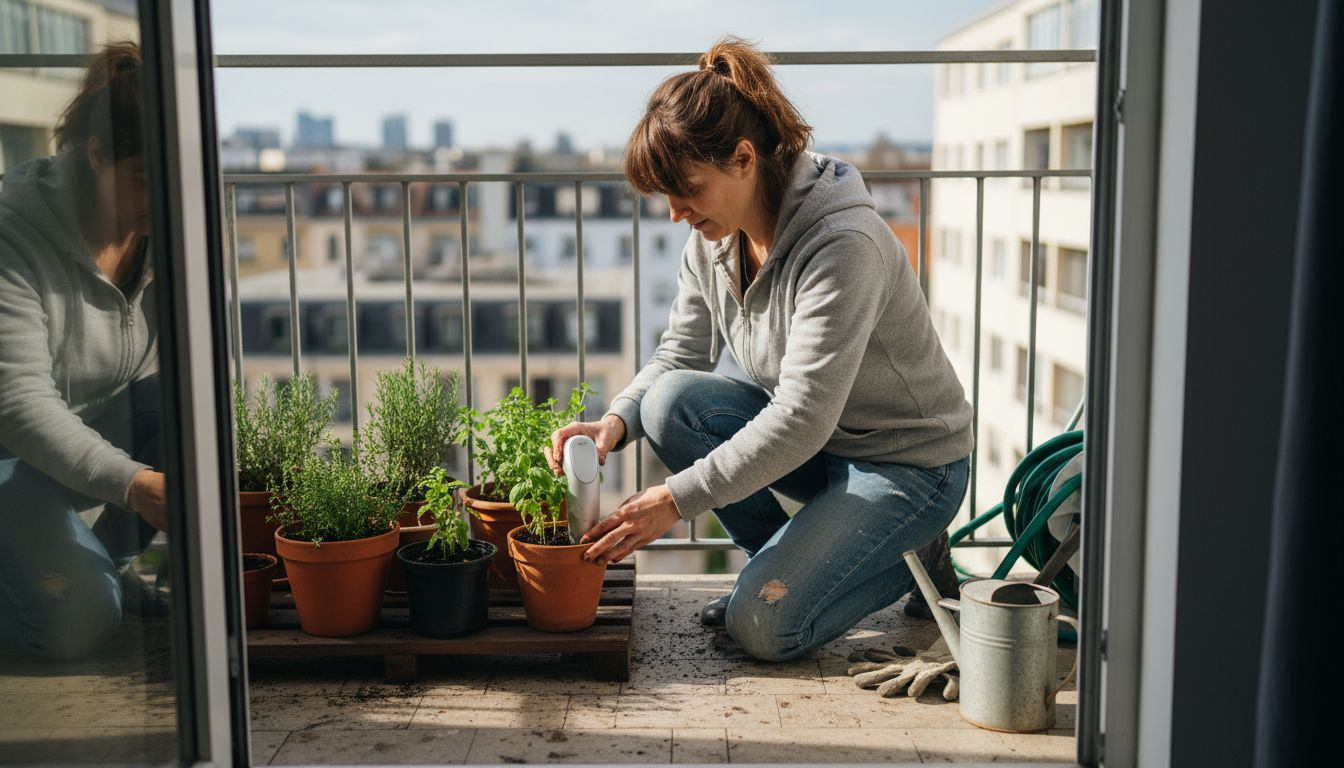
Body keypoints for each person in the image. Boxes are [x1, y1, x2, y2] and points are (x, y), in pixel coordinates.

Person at [546, 37, 972, 662]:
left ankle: (907, 562)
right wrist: (616, 422)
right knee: (668, 405)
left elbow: (800, 415)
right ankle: (780, 574)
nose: (675, 214)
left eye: (686, 190)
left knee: (762, 629)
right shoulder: (714, 239)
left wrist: (674, 500)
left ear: (744, 159)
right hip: (826, 450)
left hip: (909, 466)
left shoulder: (842, 244)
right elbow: (679, 355)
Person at [0, 41, 169, 661]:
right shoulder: (12, 230)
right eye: (146, 178)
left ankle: (107, 563)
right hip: (6, 455)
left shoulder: (166, 227)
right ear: (96, 152)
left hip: (76, 438)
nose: (163, 198)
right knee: (80, 621)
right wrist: (135, 484)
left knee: (190, 414)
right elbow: (18, 406)